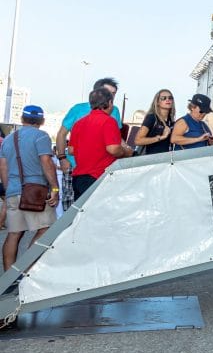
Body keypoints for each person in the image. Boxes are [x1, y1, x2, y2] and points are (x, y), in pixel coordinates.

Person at [0, 105, 59, 272]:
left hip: (13, 191)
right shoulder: (41, 137)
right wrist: (55, 188)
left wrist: (9, 190)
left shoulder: (9, 139)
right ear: (42, 121)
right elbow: (46, 162)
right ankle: (28, 269)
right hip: (36, 191)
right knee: (47, 228)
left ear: (22, 119)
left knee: (14, 234)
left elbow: (3, 166)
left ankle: (8, 279)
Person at [55, 77, 122, 210]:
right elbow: (62, 134)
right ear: (95, 93)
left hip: (102, 170)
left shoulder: (114, 111)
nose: (112, 97)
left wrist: (128, 152)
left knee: (98, 209)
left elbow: (116, 139)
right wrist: (62, 158)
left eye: (114, 94)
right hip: (76, 166)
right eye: (109, 92)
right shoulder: (78, 109)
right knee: (72, 207)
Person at [70, 88, 134, 200]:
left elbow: (71, 150)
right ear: (110, 102)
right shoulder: (109, 121)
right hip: (98, 177)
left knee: (82, 215)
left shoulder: (79, 123)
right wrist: (127, 152)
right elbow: (113, 149)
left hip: (78, 177)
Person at [134, 89, 176, 155]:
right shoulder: (152, 117)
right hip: (151, 159)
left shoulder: (171, 121)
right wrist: (161, 137)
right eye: (163, 98)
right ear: (157, 102)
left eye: (170, 98)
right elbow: (138, 140)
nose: (167, 100)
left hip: (166, 159)